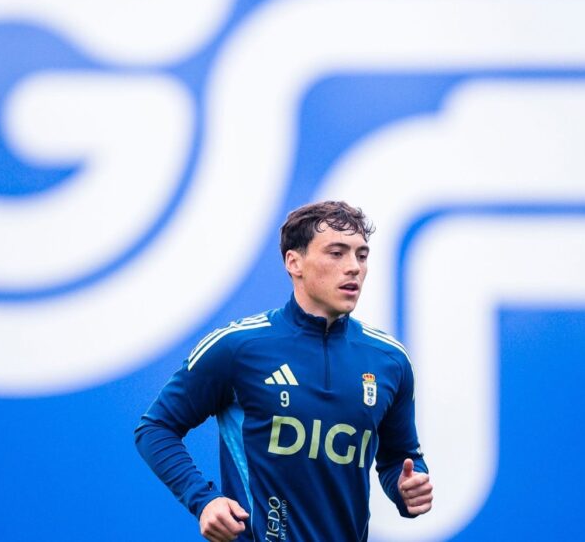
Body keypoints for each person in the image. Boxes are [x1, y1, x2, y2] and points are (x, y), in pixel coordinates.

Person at [135, 200, 432, 541]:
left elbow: (400, 458)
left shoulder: (389, 360)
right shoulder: (238, 347)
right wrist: (204, 500)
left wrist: (408, 486)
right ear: (294, 262)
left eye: (361, 256)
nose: (353, 267)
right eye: (337, 253)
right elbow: (156, 428)